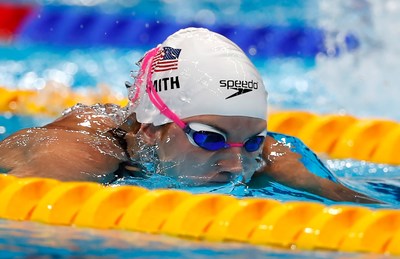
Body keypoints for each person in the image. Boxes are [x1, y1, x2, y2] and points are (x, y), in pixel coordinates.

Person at [0, 27, 377, 203]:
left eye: (252, 140)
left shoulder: (265, 158)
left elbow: (366, 209)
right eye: (209, 137)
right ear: (150, 129)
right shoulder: (76, 155)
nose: (235, 162)